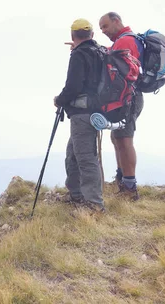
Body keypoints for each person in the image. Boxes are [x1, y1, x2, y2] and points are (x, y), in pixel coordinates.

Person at [54, 18, 105, 212]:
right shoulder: (100, 52)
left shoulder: (79, 55)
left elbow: (73, 87)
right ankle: (76, 195)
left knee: (85, 157)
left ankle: (94, 205)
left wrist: (59, 100)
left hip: (82, 113)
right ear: (92, 35)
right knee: (73, 155)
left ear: (72, 36)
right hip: (96, 111)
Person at [98, 12, 143, 200]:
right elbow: (111, 54)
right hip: (127, 98)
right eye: (101, 28)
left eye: (105, 26)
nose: (103, 31)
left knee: (124, 140)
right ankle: (122, 180)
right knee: (118, 138)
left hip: (128, 99)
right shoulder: (124, 41)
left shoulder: (125, 42)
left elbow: (119, 68)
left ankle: (129, 188)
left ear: (116, 21)